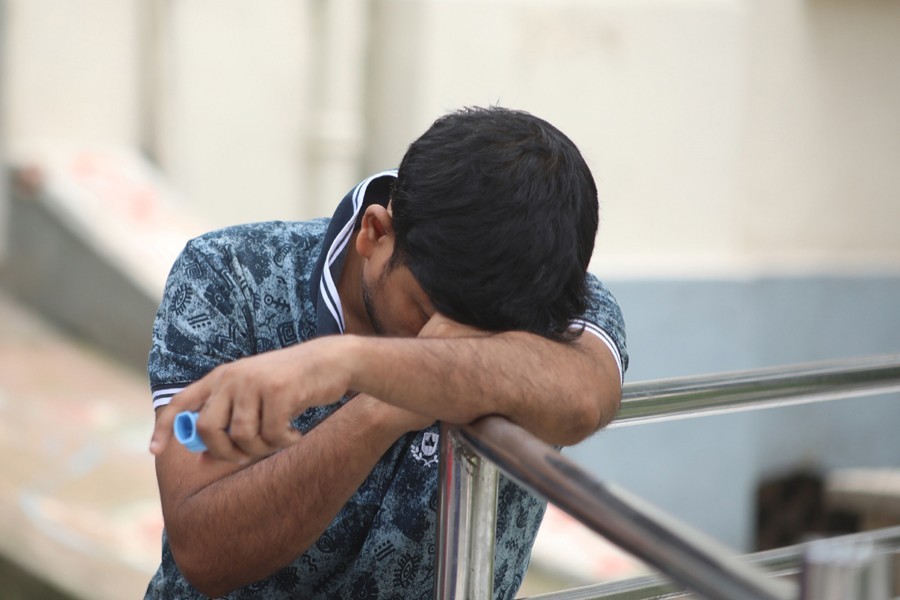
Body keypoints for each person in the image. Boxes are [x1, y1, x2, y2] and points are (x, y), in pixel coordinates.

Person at [146, 106, 628, 599]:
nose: (439, 341)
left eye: (483, 338)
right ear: (374, 233)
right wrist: (384, 406)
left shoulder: (555, 298)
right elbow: (205, 553)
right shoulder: (227, 276)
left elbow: (583, 401)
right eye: (425, 312)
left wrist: (350, 364)